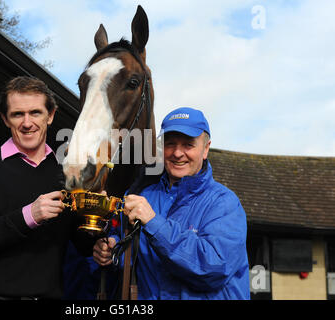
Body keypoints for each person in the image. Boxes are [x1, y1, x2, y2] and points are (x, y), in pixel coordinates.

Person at [93, 107, 250, 300]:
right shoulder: (141, 196)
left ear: (206, 148)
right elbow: (134, 257)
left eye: (188, 145)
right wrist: (111, 250)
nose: (177, 153)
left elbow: (213, 269)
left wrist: (154, 223)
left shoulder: (224, 204)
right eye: (170, 143)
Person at [0, 76, 90, 300]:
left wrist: (100, 239)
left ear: (51, 115)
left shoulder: (66, 174)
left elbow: (82, 243)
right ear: (5, 119)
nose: (27, 123)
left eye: (35, 112)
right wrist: (29, 215)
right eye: (18, 114)